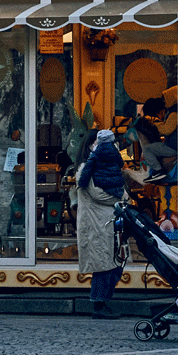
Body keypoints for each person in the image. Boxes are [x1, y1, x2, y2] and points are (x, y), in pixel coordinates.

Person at [77, 129, 125, 319]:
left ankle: (103, 301)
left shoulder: (99, 167)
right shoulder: (85, 169)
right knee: (103, 266)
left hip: (105, 224)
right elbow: (99, 194)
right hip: (96, 225)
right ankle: (99, 303)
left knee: (112, 264)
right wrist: (122, 197)